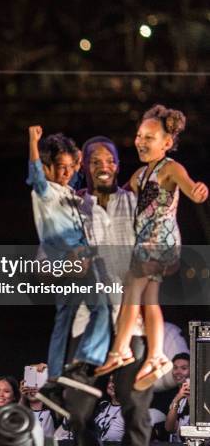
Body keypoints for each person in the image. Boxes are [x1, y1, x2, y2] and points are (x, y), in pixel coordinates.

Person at [96, 104, 208, 390]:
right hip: (145, 243)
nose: (141, 142)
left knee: (133, 286)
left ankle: (121, 349)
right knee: (149, 301)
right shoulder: (140, 175)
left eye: (149, 137)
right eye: (139, 136)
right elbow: (119, 201)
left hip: (161, 241)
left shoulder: (170, 168)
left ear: (167, 143)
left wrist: (197, 192)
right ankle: (157, 356)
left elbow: (190, 188)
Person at [66, 136, 154, 446]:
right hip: (86, 320)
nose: (104, 166)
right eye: (95, 161)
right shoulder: (70, 206)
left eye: (110, 160)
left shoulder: (135, 203)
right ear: (84, 167)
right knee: (77, 411)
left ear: (117, 166)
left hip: (132, 322)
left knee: (136, 409)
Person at [26, 126, 108, 417]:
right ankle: (85, 360)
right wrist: (33, 143)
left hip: (76, 260)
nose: (65, 173)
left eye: (70, 168)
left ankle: (54, 379)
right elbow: (35, 175)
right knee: (102, 307)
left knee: (66, 316)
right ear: (49, 168)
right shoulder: (46, 193)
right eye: (60, 168)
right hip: (67, 258)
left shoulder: (71, 193)